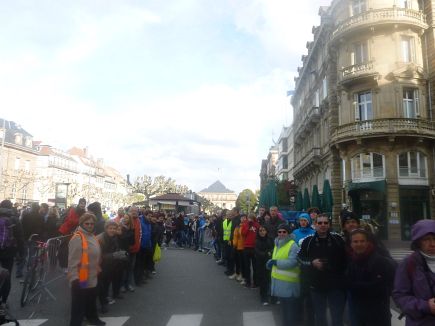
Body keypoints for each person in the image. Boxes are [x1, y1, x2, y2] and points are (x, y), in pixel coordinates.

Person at [298, 213, 347, 326]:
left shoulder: (337, 239)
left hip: (336, 286)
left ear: (329, 225)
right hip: (317, 286)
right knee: (320, 318)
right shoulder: (308, 241)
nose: (323, 225)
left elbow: (346, 259)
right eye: (320, 223)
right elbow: (299, 258)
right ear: (315, 225)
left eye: (325, 223)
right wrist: (312, 262)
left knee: (337, 318)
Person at [346, 229, 396, 326]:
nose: (359, 244)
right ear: (351, 244)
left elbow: (381, 286)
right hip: (359, 312)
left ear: (368, 242)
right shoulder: (352, 262)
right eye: (355, 242)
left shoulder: (380, 261)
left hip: (379, 313)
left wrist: (354, 286)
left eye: (362, 241)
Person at [393, 219, 435, 325]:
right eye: (427, 239)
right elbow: (400, 296)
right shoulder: (409, 263)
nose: (432, 244)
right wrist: (426, 306)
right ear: (418, 241)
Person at [68, 212, 105, 326]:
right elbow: (72, 261)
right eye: (87, 223)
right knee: (79, 305)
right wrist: (74, 278)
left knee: (91, 300)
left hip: (92, 275)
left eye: (92, 224)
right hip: (81, 278)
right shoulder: (78, 238)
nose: (90, 225)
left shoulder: (92, 236)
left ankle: (92, 318)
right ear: (82, 224)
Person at [266, 223, 300, 325]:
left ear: (288, 233)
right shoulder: (278, 243)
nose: (281, 234)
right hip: (280, 283)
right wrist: (270, 263)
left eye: (284, 232)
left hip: (289, 284)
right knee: (284, 311)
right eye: (279, 232)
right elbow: (276, 258)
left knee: (290, 312)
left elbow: (292, 262)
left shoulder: (292, 245)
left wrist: (276, 263)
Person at [97, 220, 127, 314]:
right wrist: (114, 255)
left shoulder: (114, 237)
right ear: (106, 228)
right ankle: (103, 304)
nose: (113, 230)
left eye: (114, 228)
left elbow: (115, 249)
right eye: (110, 228)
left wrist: (121, 253)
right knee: (102, 286)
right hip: (101, 266)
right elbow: (99, 255)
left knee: (107, 283)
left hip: (111, 265)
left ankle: (106, 300)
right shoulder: (100, 238)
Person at [0, 200, 23, 305]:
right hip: (8, 252)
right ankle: (4, 301)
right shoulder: (14, 219)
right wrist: (21, 253)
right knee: (7, 275)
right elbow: (19, 237)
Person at [255, 225, 274, 305]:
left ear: (266, 231)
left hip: (270, 262)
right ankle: (264, 298)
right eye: (260, 231)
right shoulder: (257, 241)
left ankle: (273, 297)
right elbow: (257, 252)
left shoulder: (270, 239)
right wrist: (267, 253)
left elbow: (273, 249)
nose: (262, 232)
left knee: (270, 279)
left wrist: (269, 253)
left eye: (264, 230)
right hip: (261, 263)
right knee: (263, 281)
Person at [241, 213, 260, 288]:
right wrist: (248, 226)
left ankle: (256, 282)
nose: (250, 220)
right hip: (246, 247)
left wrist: (253, 225)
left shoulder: (257, 225)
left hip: (254, 247)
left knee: (255, 266)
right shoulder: (245, 224)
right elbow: (243, 233)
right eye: (249, 218)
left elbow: (259, 234)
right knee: (247, 266)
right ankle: (248, 281)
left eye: (251, 218)